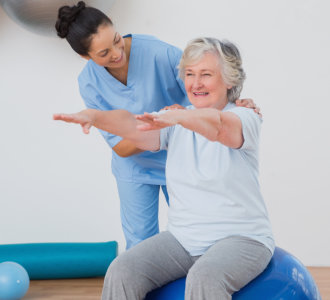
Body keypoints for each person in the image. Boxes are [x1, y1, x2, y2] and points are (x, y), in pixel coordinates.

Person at [54, 37, 274, 299]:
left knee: (205, 277)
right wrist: (95, 116)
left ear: (229, 80)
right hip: (183, 239)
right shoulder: (176, 120)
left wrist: (178, 116)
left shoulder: (245, 117)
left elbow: (218, 127)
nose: (195, 83)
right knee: (122, 269)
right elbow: (133, 128)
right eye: (190, 74)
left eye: (206, 74)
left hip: (242, 239)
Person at [55, 1, 260, 250]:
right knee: (140, 244)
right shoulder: (89, 82)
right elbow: (120, 146)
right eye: (104, 53)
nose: (117, 53)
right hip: (135, 169)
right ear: (84, 57)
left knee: (198, 239)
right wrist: (156, 127)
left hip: (185, 159)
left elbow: (207, 88)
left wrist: (236, 103)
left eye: (117, 40)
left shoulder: (159, 54)